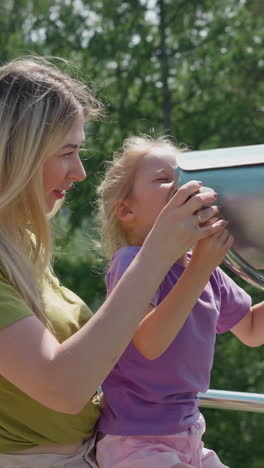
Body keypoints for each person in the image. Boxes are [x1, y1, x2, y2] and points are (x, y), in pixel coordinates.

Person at [0, 57, 226, 468]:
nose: (80, 173)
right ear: (19, 153)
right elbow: (64, 387)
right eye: (68, 153)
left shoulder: (22, 245)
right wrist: (160, 250)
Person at [96, 135, 264, 468]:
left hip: (189, 435)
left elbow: (253, 330)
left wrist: (204, 265)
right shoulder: (132, 262)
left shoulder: (203, 267)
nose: (181, 187)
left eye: (185, 179)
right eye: (164, 180)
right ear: (126, 209)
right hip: (135, 442)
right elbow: (150, 342)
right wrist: (202, 266)